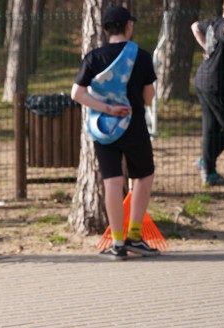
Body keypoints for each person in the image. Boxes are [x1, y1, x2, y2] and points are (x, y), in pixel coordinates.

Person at [71, 5, 160, 260]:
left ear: (105, 29)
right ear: (129, 26)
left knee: (112, 181)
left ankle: (118, 243)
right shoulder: (141, 57)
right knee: (143, 176)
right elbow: (147, 98)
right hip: (134, 127)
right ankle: (135, 235)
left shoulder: (94, 57)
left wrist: (106, 107)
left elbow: (77, 93)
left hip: (103, 129)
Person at [192, 0, 224, 187]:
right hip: (216, 84)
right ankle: (205, 162)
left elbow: (194, 26)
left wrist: (206, 48)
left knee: (211, 127)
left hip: (203, 78)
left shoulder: (213, 22)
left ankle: (208, 171)